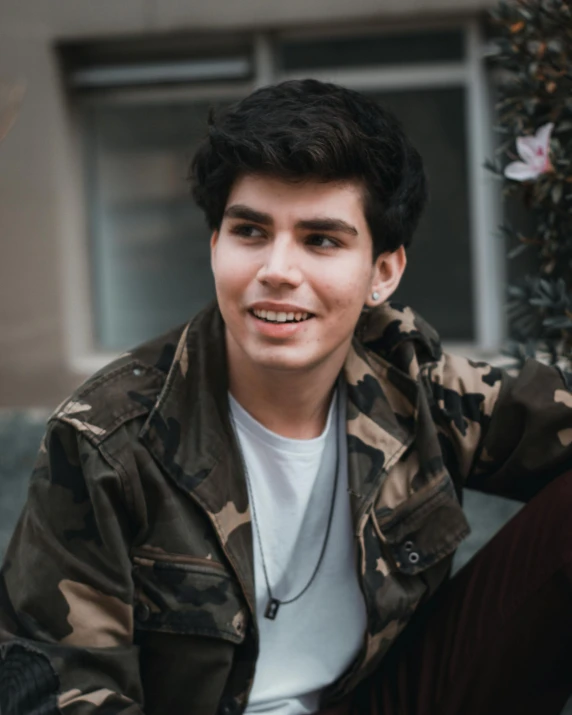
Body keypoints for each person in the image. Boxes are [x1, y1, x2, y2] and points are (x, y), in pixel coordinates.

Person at [1, 78, 572, 715]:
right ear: (215, 246)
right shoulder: (108, 440)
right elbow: (61, 691)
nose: (277, 269)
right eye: (250, 231)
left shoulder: (411, 378)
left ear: (383, 272)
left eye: (321, 239)